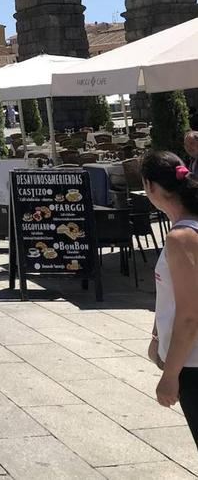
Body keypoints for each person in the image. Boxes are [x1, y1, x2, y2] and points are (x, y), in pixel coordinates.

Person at [142, 150, 198, 448]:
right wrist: (156, 335)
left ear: (150, 187)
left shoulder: (181, 237)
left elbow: (190, 315)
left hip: (194, 361)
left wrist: (170, 374)